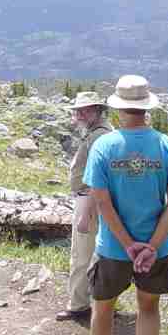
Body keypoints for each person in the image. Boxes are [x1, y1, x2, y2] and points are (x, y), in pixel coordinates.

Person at [78, 75, 168, 335]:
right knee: (149, 308)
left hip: (113, 247)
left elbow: (103, 204)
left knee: (103, 309)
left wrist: (129, 246)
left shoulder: (103, 147)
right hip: (157, 247)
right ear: (147, 106)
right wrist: (150, 247)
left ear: (117, 107)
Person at [56, 91, 112, 322]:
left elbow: (96, 177)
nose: (80, 114)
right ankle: (99, 300)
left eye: (86, 109)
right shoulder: (99, 133)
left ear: (98, 110)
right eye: (78, 110)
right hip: (95, 200)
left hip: (89, 200)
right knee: (94, 254)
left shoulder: (99, 136)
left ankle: (79, 306)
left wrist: (86, 211)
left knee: (81, 255)